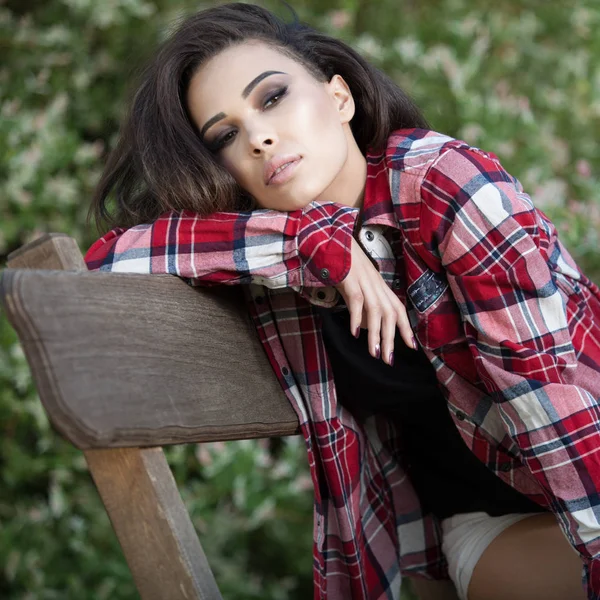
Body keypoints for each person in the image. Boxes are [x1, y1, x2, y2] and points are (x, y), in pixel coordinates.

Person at [84, 3, 600, 599]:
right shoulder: (278, 272)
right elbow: (108, 260)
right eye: (225, 134)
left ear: (339, 98)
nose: (258, 137)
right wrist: (315, 241)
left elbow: (548, 398)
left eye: (272, 97)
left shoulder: (443, 182)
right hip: (491, 526)